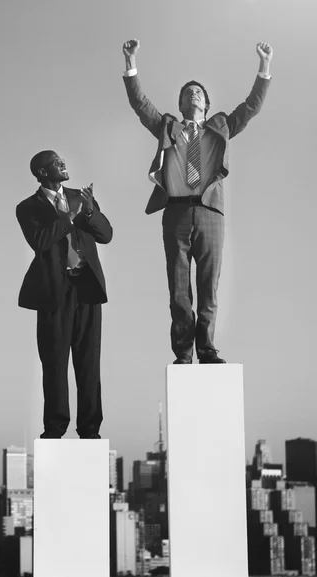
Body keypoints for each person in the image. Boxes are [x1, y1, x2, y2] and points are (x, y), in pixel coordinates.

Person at [121, 39, 273, 364]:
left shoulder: (220, 125)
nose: (194, 94)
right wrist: (131, 62)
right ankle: (183, 353)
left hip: (209, 212)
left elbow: (251, 107)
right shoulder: (168, 126)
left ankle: (206, 348)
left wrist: (264, 67)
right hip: (175, 210)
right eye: (188, 92)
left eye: (199, 92)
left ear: (206, 103)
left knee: (209, 284)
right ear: (180, 104)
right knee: (178, 286)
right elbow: (140, 104)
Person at [17, 151, 113, 439]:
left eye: (62, 160)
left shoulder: (80, 197)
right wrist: (69, 219)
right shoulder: (27, 208)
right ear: (42, 173)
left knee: (89, 363)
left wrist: (89, 213)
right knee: (55, 363)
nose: (63, 164)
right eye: (56, 162)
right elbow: (40, 241)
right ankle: (55, 428)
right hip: (53, 292)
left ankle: (90, 429)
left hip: (87, 288)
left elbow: (106, 234)